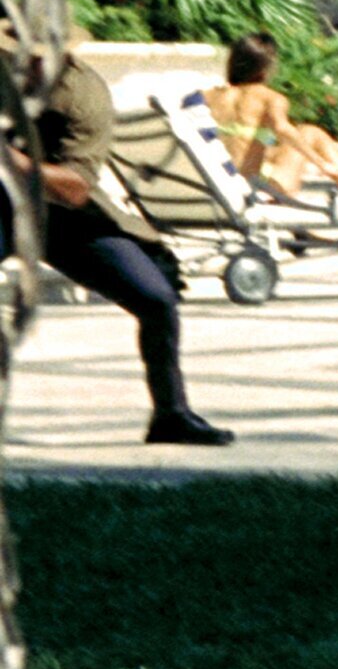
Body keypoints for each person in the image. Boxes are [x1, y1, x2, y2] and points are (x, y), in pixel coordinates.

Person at [22, 55, 232, 444]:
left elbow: (75, 187)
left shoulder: (83, 93)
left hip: (62, 217)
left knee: (156, 299)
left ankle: (171, 414)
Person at [202, 35, 338, 199]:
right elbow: (282, 129)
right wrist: (321, 164)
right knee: (310, 132)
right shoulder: (270, 99)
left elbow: (236, 141)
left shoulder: (206, 96)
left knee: (275, 149)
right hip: (254, 189)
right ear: (266, 67)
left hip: (212, 186)